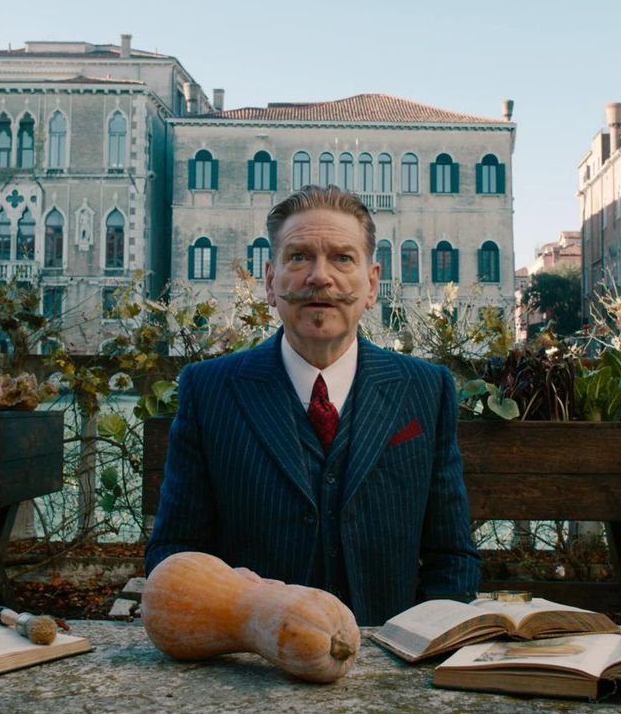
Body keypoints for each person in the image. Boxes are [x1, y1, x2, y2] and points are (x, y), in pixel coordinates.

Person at [146, 185, 480, 625]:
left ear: (372, 284)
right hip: (251, 665)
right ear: (270, 281)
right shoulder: (209, 391)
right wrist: (236, 605)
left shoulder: (425, 389)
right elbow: (172, 553)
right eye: (299, 257)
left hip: (389, 664)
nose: (320, 277)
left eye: (343, 258)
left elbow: (452, 557)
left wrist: (419, 647)